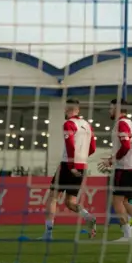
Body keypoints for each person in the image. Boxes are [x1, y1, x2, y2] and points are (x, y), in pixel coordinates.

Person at [42, 99, 97, 241]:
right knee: (70, 201)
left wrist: (72, 165)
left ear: (66, 109)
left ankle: (48, 233)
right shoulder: (87, 125)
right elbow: (92, 148)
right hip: (82, 165)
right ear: (78, 110)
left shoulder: (68, 124)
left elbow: (70, 145)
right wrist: (81, 159)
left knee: (52, 198)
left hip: (68, 165)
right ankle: (88, 216)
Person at [100, 99, 132, 242]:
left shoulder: (121, 123)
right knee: (124, 201)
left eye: (111, 108)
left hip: (124, 168)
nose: (109, 111)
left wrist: (112, 160)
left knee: (116, 201)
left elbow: (126, 146)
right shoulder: (131, 124)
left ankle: (128, 235)